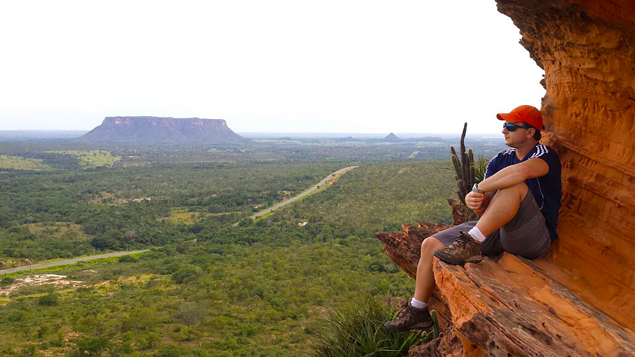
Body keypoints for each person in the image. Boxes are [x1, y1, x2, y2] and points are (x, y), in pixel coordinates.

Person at [383, 105, 562, 332]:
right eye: (503, 126)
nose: (504, 131)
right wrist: (475, 199)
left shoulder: (544, 155)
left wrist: (477, 187)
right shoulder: (500, 159)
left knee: (513, 185)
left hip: (532, 236)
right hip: (500, 229)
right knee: (430, 244)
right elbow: (484, 200)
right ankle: (417, 310)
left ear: (529, 132)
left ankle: (472, 243)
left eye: (510, 126)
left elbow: (519, 174)